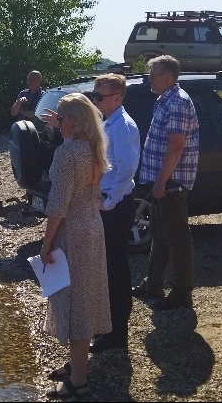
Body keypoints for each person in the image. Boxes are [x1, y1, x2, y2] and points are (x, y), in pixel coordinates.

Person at [37, 92, 111, 399]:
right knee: (85, 296)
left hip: (73, 232)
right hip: (92, 226)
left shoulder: (68, 155)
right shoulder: (93, 149)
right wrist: (61, 130)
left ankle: (79, 380)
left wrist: (46, 243)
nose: (58, 122)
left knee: (76, 303)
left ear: (75, 122)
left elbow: (58, 205)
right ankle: (76, 364)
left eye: (62, 118)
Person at [132, 55, 200, 311]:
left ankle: (182, 293)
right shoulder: (165, 100)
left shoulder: (179, 102)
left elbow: (177, 145)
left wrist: (161, 181)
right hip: (161, 181)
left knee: (178, 237)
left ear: (168, 77)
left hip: (171, 181)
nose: (149, 78)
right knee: (160, 234)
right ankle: (154, 283)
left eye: (153, 74)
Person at [88, 73, 141, 352]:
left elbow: (127, 169)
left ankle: (118, 334)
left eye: (100, 96)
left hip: (116, 205)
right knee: (107, 269)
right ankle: (109, 329)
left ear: (117, 97)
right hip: (108, 201)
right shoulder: (110, 122)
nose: (95, 100)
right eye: (94, 95)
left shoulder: (124, 127)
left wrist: (109, 202)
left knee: (116, 271)